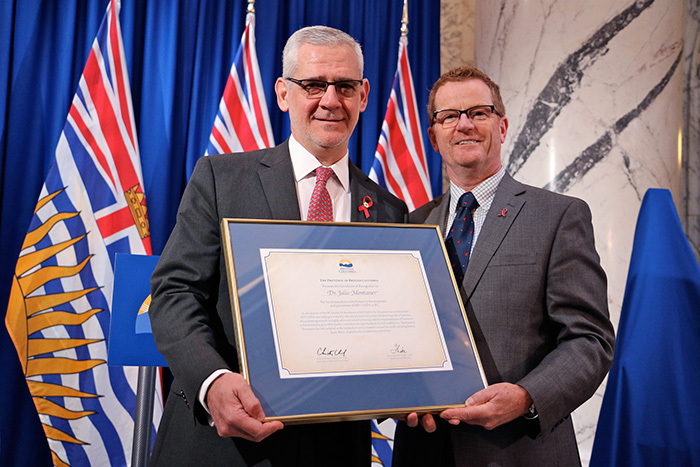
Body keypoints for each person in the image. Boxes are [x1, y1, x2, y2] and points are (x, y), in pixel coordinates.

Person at [149, 26, 407, 467]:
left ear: (363, 96)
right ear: (284, 93)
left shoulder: (388, 209)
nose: (330, 100)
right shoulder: (221, 179)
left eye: (344, 86)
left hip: (334, 447)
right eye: (312, 85)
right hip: (222, 443)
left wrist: (413, 384)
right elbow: (175, 294)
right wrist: (212, 382)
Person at [392, 66, 615, 466]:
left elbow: (590, 340)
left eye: (479, 112)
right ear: (434, 135)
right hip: (423, 450)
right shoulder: (411, 224)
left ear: (502, 125)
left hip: (520, 451)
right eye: (449, 116)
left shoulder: (558, 215)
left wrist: (528, 396)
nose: (464, 125)